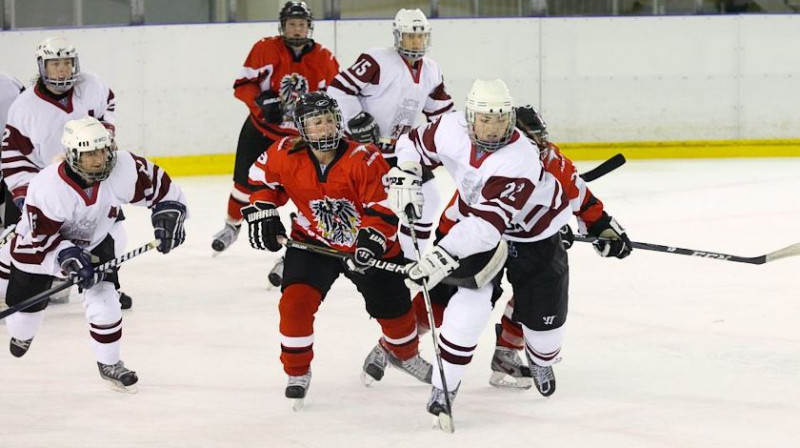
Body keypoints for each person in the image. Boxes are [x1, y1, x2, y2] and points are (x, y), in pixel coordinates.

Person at [389, 79, 632, 424]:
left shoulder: (532, 161)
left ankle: (529, 355)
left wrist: (602, 226)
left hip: (531, 240)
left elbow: (580, 196)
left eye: (538, 141)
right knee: (458, 306)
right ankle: (419, 356)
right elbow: (422, 156)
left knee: (542, 321)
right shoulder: (459, 133)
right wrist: (409, 174)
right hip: (478, 234)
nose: (494, 131)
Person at [243, 91, 431, 409]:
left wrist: (371, 242)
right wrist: (263, 209)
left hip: (368, 249)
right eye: (317, 123)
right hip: (312, 243)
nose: (325, 128)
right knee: (294, 305)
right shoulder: (284, 153)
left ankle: (404, 355)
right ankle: (297, 372)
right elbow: (259, 179)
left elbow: (383, 206)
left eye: (330, 120)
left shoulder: (364, 159)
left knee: (396, 315)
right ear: (303, 129)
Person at [2, 116, 188, 393]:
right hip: (40, 250)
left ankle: (110, 363)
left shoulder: (124, 167)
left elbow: (164, 190)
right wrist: (68, 258)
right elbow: (42, 239)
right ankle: (22, 333)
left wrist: (169, 215)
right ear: (73, 155)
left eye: (103, 149)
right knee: (24, 315)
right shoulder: (48, 187)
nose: (100, 159)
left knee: (105, 300)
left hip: (97, 238)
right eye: (90, 153)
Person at [1, 37, 132, 309]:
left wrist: (105, 133)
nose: (62, 70)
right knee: (28, 247)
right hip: (45, 186)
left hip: (90, 180)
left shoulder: (91, 85)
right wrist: (25, 194)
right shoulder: (25, 107)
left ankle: (106, 288)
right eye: (55, 64)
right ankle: (22, 295)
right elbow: (14, 154)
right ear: (42, 67)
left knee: (103, 235)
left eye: (67, 63)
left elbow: (108, 105)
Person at [212, 0, 339, 256]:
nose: (296, 29)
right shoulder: (265, 48)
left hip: (301, 139)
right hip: (260, 130)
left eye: (301, 25)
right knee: (243, 185)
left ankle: (301, 244)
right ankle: (231, 226)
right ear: (283, 26)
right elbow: (243, 85)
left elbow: (337, 97)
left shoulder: (324, 57)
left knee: (308, 192)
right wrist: (261, 103)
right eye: (292, 24)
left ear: (309, 27)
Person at [326, 8, 453, 262]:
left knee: (428, 198)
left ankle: (410, 260)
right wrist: (355, 119)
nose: (416, 42)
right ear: (398, 37)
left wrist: (453, 139)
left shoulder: (431, 69)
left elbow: (441, 112)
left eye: (420, 37)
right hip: (362, 151)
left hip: (402, 152)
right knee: (345, 207)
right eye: (409, 36)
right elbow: (338, 89)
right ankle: (310, 251)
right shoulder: (377, 60)